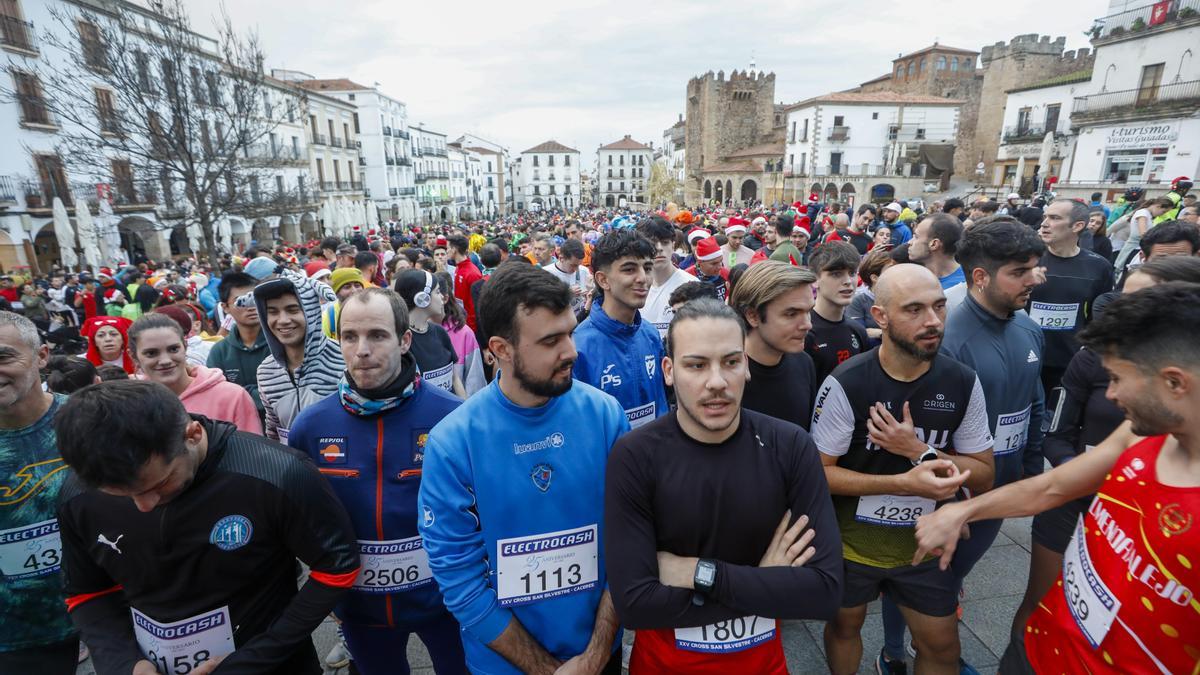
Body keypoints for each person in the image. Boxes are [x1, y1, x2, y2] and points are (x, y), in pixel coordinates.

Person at [913, 281, 1200, 675]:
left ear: (1174, 383)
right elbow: (1054, 486)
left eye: (1117, 378)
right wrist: (964, 512)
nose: (1111, 395)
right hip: (1041, 648)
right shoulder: (1141, 434)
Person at [55, 380, 360, 675]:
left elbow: (337, 567)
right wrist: (126, 665)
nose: (144, 506)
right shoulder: (78, 495)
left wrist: (253, 660)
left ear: (194, 434)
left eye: (160, 484)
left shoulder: (277, 473)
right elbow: (86, 592)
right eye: (120, 495)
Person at [604, 298, 843, 673]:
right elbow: (636, 604)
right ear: (668, 371)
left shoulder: (790, 445)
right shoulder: (635, 455)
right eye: (696, 365)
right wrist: (768, 585)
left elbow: (825, 594)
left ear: (746, 365)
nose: (716, 382)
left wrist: (699, 572)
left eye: (730, 362)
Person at [418, 263, 627, 674]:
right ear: (501, 349)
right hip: (505, 664)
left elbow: (631, 543)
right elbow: (459, 580)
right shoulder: (453, 442)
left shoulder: (605, 415)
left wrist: (597, 655)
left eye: (570, 331)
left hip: (599, 653)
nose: (571, 350)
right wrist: (546, 670)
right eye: (551, 340)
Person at [1007, 256, 1200, 663]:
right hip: (1052, 640)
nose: (1113, 395)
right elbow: (1055, 467)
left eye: (1144, 307)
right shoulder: (1136, 424)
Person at [812, 264, 995, 675]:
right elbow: (818, 474)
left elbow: (984, 474)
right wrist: (901, 481)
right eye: (914, 309)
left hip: (925, 545)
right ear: (880, 317)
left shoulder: (962, 381)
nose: (932, 321)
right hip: (850, 545)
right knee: (844, 626)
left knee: (941, 645)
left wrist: (919, 450)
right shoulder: (848, 382)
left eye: (939, 307)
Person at [885, 220, 1045, 673]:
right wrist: (945, 490)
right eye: (1020, 271)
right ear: (981, 276)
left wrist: (1031, 464)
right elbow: (921, 421)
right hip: (952, 489)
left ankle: (925, 646)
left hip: (1001, 487)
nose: (1033, 279)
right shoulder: (946, 334)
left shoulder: (1029, 329)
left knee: (951, 578)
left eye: (1034, 268)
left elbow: (1034, 401)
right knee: (925, 579)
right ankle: (896, 652)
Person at [287, 288, 468, 675]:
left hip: (445, 601)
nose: (362, 350)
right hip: (360, 608)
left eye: (378, 335)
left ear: (404, 340)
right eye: (349, 337)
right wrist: (327, 592)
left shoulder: (454, 417)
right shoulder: (311, 426)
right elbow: (301, 519)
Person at [0, 312, 79, 674]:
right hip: (15, 636)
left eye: (4, 357)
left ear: (43, 356)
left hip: (107, 618)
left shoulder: (88, 420)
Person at [574, 229, 669, 429]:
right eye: (629, 269)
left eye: (647, 268)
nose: (643, 278)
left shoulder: (650, 335)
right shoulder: (577, 346)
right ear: (603, 280)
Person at [1028, 199, 1113, 411]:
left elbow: (1100, 317)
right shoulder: (1025, 261)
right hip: (1024, 356)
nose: (1045, 223)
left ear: (1077, 226)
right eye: (1045, 217)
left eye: (1055, 218)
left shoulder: (1098, 266)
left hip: (1068, 361)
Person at [128, 313, 262, 434]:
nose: (165, 360)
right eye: (151, 353)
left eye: (173, 349)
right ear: (134, 357)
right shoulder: (130, 403)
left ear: (185, 347)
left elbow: (252, 454)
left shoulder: (232, 397)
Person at [253, 272, 346, 442]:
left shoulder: (344, 360)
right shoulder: (266, 372)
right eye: (273, 312)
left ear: (311, 311)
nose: (283, 320)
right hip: (292, 466)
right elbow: (273, 429)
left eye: (292, 310)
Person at [729, 261, 820, 429]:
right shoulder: (725, 378)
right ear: (753, 316)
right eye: (791, 314)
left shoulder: (804, 363)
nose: (807, 325)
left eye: (808, 312)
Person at [804, 241, 871, 386]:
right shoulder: (803, 332)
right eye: (836, 274)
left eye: (852, 273)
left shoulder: (858, 331)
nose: (848, 281)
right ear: (815, 279)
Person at [393, 269, 467, 397]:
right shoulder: (402, 342)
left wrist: (463, 409)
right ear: (422, 298)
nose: (442, 297)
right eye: (437, 292)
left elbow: (454, 379)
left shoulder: (439, 332)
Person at [206, 271, 270, 418]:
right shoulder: (219, 352)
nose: (250, 306)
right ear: (225, 307)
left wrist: (239, 393)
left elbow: (285, 393)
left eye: (254, 298)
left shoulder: (280, 343)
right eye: (240, 300)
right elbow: (217, 396)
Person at [638, 218, 697, 338]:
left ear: (673, 245)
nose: (659, 248)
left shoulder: (692, 285)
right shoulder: (635, 286)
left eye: (665, 242)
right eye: (653, 242)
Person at [1112, 196, 1172, 273]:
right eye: (1163, 212)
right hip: (1132, 249)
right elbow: (1143, 233)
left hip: (1137, 248)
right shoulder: (1143, 213)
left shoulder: (1147, 215)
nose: (1162, 214)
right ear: (1158, 206)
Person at [847, 248, 894, 344]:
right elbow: (859, 333)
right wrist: (885, 334)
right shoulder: (858, 301)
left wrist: (876, 332)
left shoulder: (900, 298)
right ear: (874, 278)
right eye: (890, 270)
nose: (896, 273)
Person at [907, 213, 965, 289]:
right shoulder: (913, 277)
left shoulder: (965, 285)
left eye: (916, 237)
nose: (909, 242)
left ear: (934, 244)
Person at [543, 238, 593, 318]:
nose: (576, 269)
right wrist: (566, 293)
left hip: (581, 317)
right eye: (573, 265)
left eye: (579, 265)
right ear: (561, 258)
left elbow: (590, 295)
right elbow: (542, 302)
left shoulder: (584, 270)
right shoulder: (546, 273)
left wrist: (591, 292)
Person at [449, 235, 483, 331]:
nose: (447, 251)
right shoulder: (458, 267)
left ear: (454, 249)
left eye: (448, 248)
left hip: (469, 327)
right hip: (460, 321)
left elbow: (475, 305)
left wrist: (470, 328)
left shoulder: (472, 273)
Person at [685, 237, 730, 302]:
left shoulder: (725, 274)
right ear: (700, 262)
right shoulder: (687, 276)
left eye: (721, 261)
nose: (719, 266)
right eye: (714, 263)